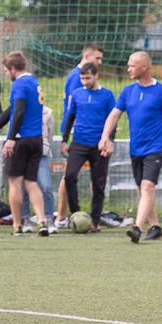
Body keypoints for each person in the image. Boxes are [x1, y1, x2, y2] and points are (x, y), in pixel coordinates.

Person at [100, 51, 162, 243]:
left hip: (155, 147)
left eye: (132, 65)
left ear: (144, 67)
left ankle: (137, 228)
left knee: (147, 186)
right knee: (142, 190)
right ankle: (156, 227)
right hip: (136, 148)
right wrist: (105, 137)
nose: (128, 69)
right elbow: (114, 115)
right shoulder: (127, 91)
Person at [0, 51, 50, 236]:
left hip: (21, 139)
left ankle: (17, 225)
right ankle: (42, 221)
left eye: (6, 71)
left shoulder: (19, 84)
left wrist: (11, 138)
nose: (6, 74)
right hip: (36, 139)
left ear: (13, 69)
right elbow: (11, 111)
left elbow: (19, 111)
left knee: (15, 182)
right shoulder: (34, 83)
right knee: (31, 182)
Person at [60, 62, 115, 232]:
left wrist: (109, 141)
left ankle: (95, 221)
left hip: (99, 144)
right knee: (69, 176)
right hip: (79, 142)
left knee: (98, 184)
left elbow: (112, 120)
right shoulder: (77, 94)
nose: (84, 81)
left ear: (96, 76)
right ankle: (76, 214)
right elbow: (70, 118)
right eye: (82, 78)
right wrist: (64, 140)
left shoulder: (107, 95)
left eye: (88, 78)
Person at [56, 44, 103, 228]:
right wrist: (68, 137)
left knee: (92, 176)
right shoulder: (77, 77)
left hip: (86, 133)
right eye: (97, 58)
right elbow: (73, 109)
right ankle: (61, 216)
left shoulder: (83, 78)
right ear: (87, 55)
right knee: (68, 174)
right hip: (77, 134)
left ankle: (91, 216)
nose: (100, 62)